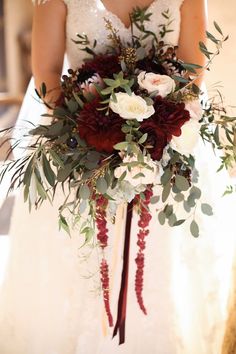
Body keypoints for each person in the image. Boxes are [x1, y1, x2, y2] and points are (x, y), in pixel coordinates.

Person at [0, 0, 235, 353]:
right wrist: (97, 139)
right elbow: (47, 77)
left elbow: (192, 75)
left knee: (159, 265)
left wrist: (149, 133)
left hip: (166, 150)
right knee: (80, 264)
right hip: (80, 151)